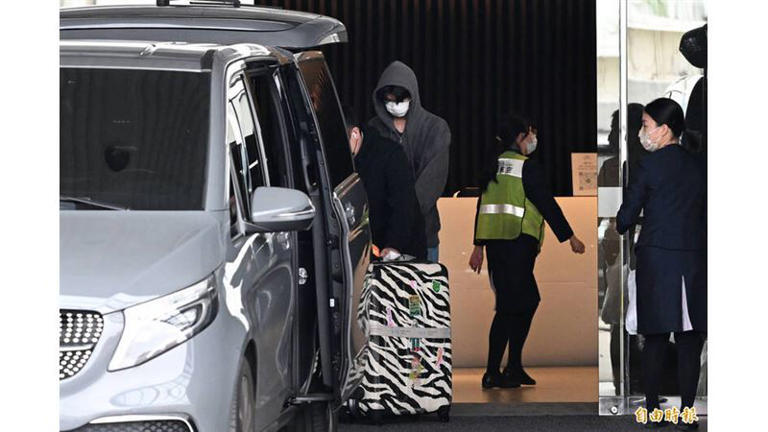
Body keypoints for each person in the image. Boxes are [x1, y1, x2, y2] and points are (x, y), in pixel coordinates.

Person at [469, 113, 586, 389]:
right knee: (510, 307)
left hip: (497, 244)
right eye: (530, 133)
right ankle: (493, 371)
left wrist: (478, 245)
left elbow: (482, 206)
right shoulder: (525, 167)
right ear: (520, 137)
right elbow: (546, 203)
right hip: (517, 242)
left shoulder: (494, 164)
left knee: (523, 302)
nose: (533, 138)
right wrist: (569, 236)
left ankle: (512, 366)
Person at [615, 98, 706, 430]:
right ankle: (687, 413)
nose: (642, 132)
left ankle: (654, 411)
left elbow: (625, 218)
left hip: (656, 260)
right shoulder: (699, 165)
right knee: (689, 339)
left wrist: (630, 221)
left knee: (655, 337)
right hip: (694, 258)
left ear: (664, 129)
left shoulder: (648, 166)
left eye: (645, 125)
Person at [368, 61, 451, 262]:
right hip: (382, 240)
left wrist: (400, 226)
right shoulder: (373, 130)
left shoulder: (435, 128)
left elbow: (431, 184)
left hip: (424, 234)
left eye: (399, 99)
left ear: (412, 96)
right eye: (388, 100)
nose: (394, 105)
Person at [345, 106, 427, 260]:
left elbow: (404, 205)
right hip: (366, 250)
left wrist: (393, 244)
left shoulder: (390, 155)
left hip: (401, 247)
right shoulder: (343, 160)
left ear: (355, 133)